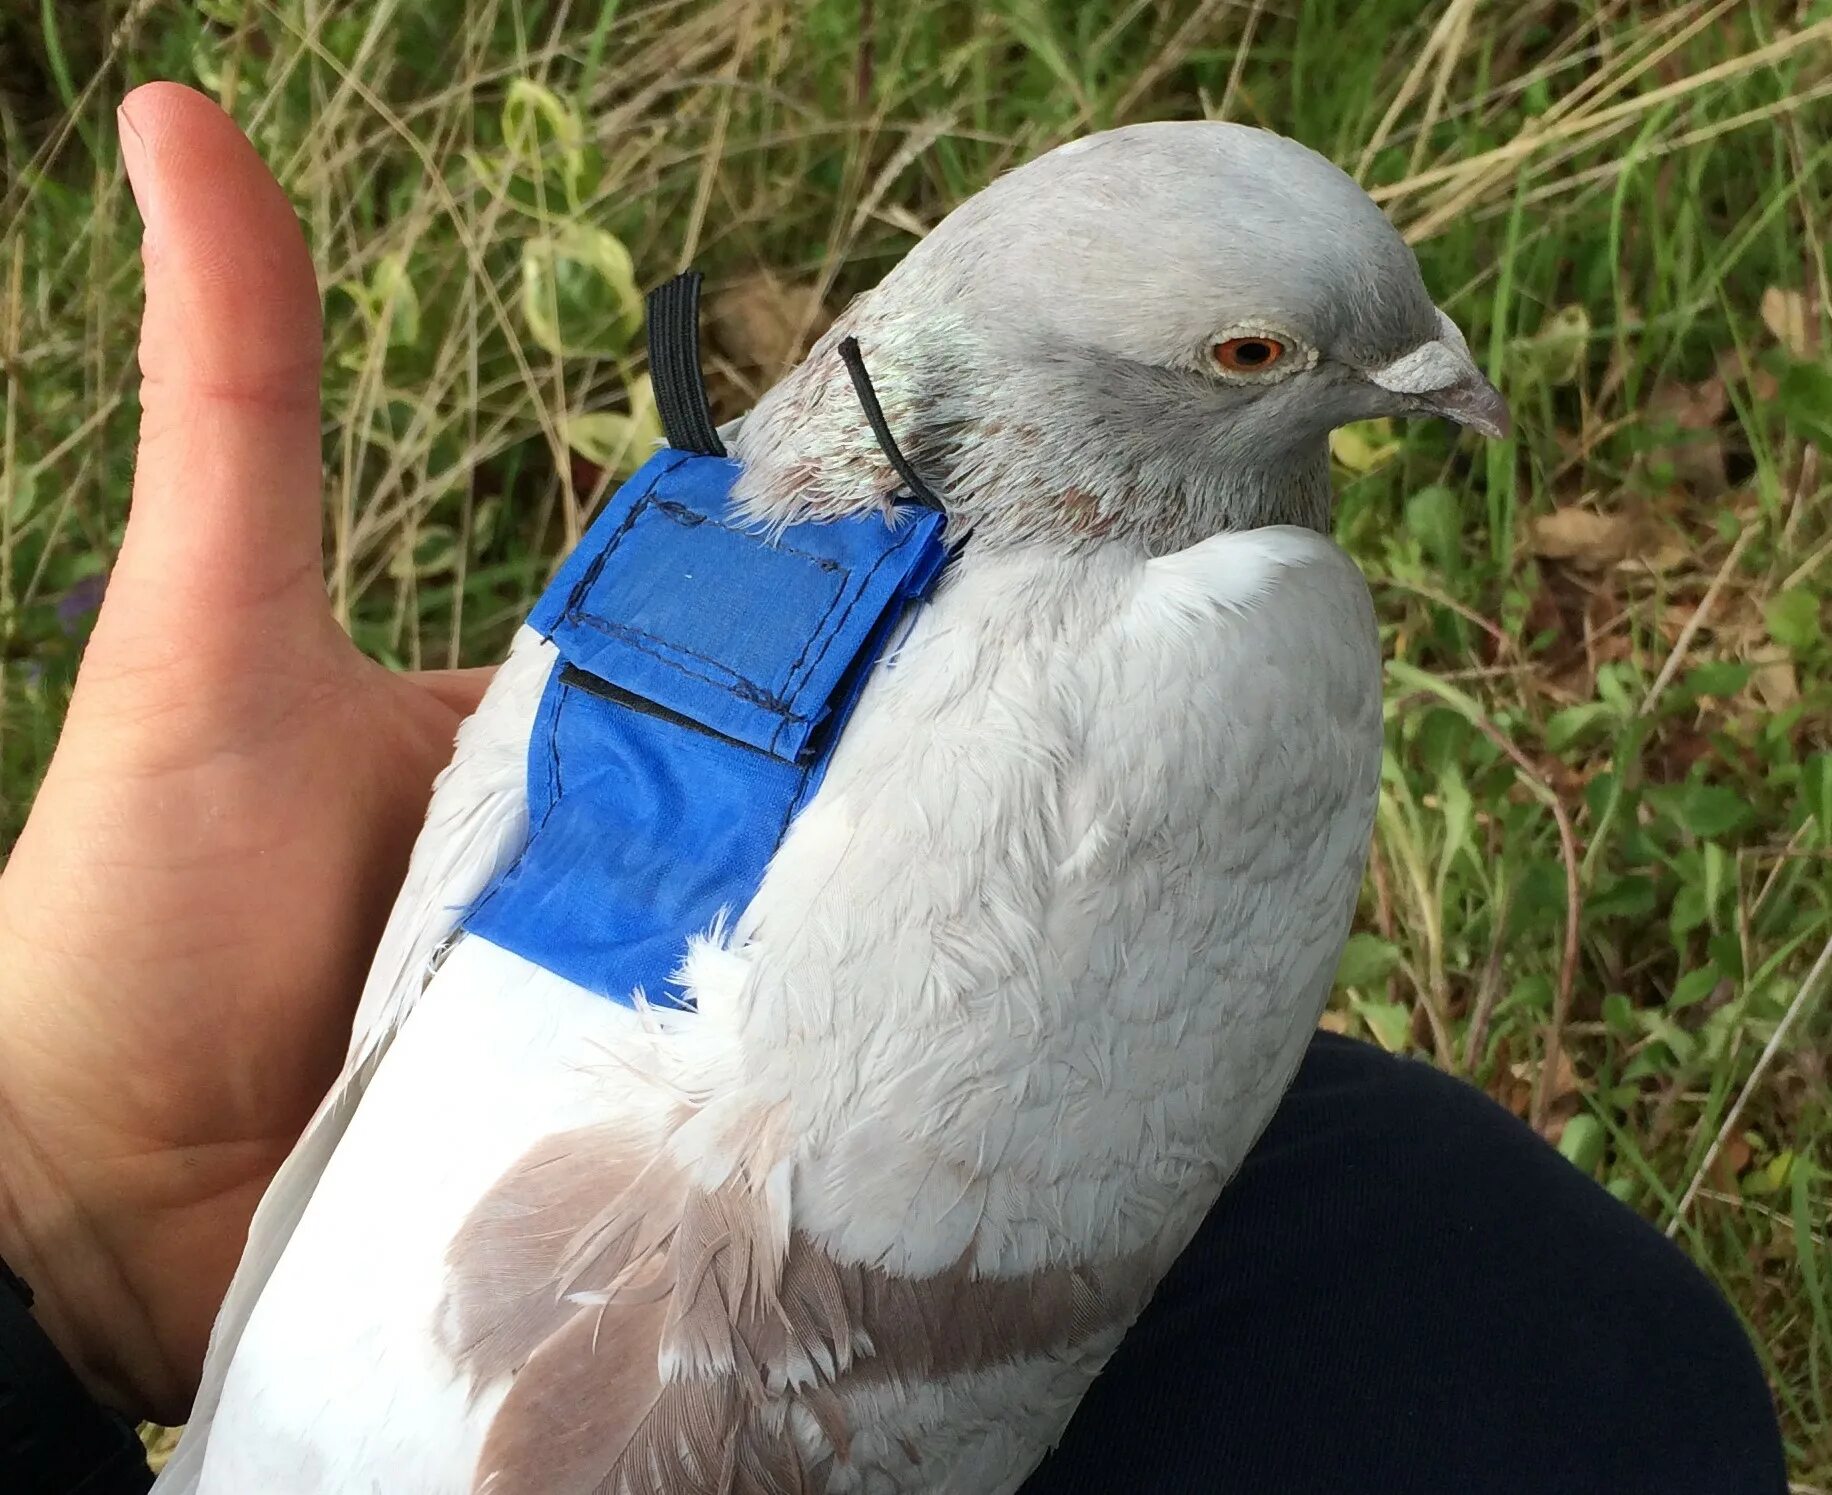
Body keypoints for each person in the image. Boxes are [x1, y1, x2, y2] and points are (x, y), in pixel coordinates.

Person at [0, 84, 1786, 1494]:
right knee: (1574, 1348)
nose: (1433, 378)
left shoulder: (703, 531)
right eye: (1256, 356)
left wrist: (42, 1204)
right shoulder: (1247, 655)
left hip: (315, 1346)